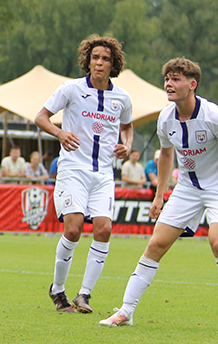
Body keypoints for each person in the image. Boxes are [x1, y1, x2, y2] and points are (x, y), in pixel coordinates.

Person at [100, 58, 218, 326]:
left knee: (216, 242)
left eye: (176, 79)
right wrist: (159, 195)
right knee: (156, 245)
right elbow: (166, 155)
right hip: (186, 188)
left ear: (192, 84)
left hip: (216, 187)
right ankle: (125, 312)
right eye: (167, 78)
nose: (169, 83)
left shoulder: (212, 116)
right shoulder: (165, 117)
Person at [35, 34, 133, 314]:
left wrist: (126, 145)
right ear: (87, 61)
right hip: (73, 169)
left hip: (103, 173)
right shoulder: (71, 89)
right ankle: (57, 290)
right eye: (95, 58)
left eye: (105, 59)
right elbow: (40, 117)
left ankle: (84, 295)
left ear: (113, 64)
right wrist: (60, 132)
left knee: (104, 229)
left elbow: (127, 127)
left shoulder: (122, 97)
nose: (99, 63)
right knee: (74, 229)